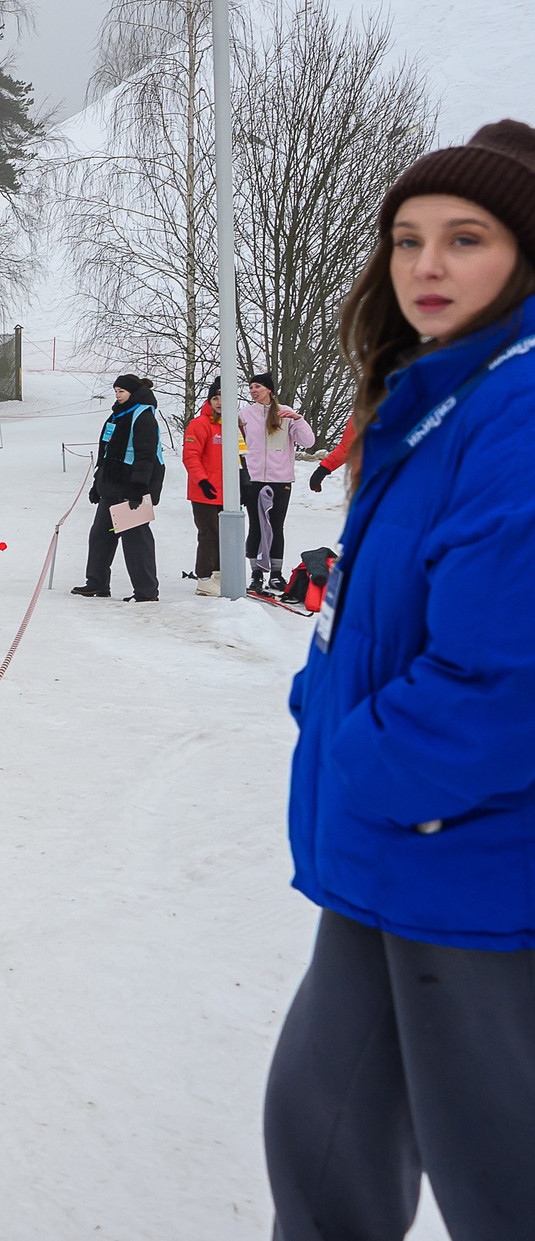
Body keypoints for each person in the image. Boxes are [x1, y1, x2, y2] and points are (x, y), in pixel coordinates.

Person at [265, 119, 535, 1241]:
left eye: (464, 239)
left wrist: (365, 757)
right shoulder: (437, 398)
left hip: (462, 857)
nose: (426, 266)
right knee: (319, 1139)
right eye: (406, 238)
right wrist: (323, 711)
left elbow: (501, 679)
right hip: (390, 847)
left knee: (498, 1178)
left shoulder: (516, 409)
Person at [71, 373, 162, 601]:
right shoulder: (116, 415)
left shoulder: (143, 416)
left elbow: (145, 456)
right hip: (111, 488)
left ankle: (146, 591)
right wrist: (97, 484)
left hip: (131, 489)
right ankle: (97, 583)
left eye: (121, 391)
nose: (117, 395)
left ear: (133, 392)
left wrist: (138, 489)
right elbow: (105, 453)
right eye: (116, 391)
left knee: (136, 541)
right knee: (101, 535)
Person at [238, 371, 315, 594]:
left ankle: (276, 574)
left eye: (258, 387)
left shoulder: (285, 413)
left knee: (275, 526)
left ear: (269, 390)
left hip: (280, 479)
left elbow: (308, 441)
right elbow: (237, 443)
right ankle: (255, 573)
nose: (253, 391)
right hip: (253, 478)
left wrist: (298, 419)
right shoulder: (245, 414)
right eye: (251, 387)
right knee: (256, 525)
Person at [180, 381, 225, 593]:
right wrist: (202, 480)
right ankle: (204, 578)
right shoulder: (199, 424)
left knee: (224, 535)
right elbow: (190, 456)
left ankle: (218, 573)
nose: (219, 402)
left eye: (222, 398)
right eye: (215, 398)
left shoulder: (231, 425)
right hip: (204, 491)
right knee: (209, 534)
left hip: (227, 492)